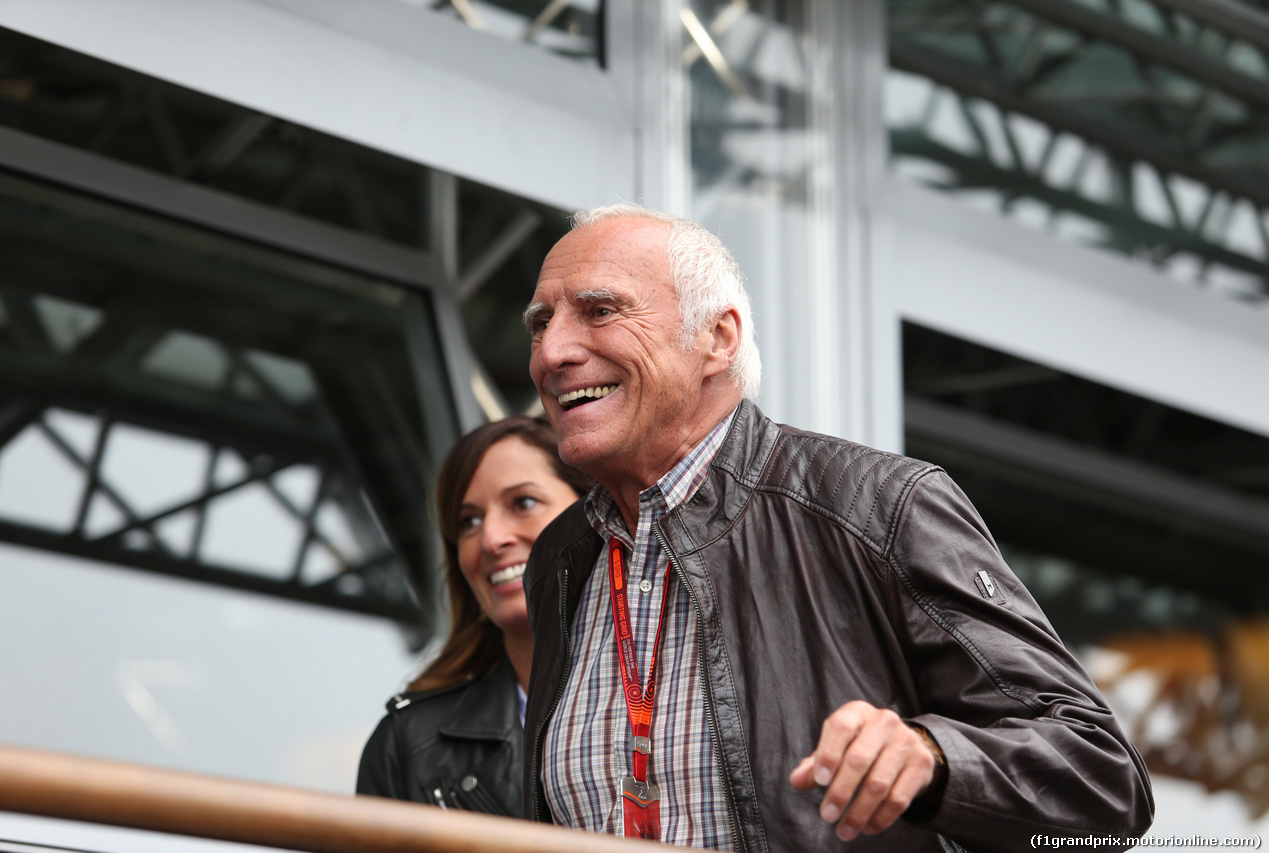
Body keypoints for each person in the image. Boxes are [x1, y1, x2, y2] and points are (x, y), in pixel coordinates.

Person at [520, 204, 1154, 851]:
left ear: (718, 337)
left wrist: (933, 758)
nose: (552, 351)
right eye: (540, 324)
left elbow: (1103, 781)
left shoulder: (878, 505)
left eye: (599, 311)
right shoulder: (561, 557)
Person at [356, 415, 592, 816]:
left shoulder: (692, 694)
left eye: (524, 503)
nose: (491, 538)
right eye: (469, 521)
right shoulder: (406, 746)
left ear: (596, 513)